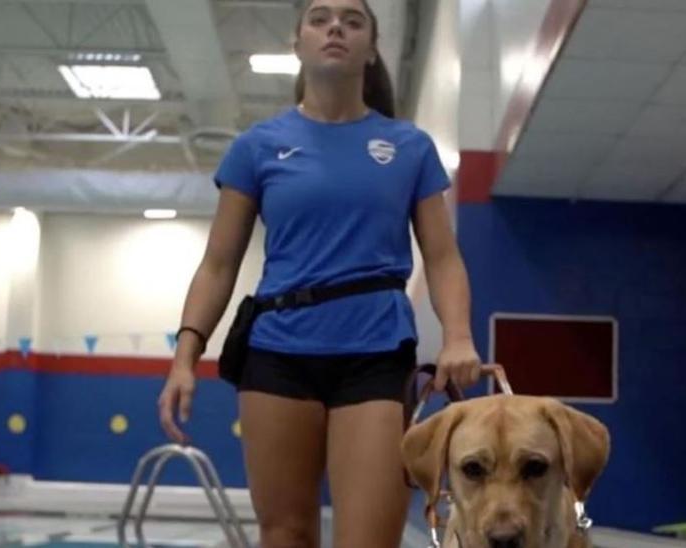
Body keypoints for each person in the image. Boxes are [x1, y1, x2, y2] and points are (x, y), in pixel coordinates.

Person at [157, 0, 481, 546]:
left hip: (376, 355)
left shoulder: (409, 148)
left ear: (372, 49)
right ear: (299, 44)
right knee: (285, 533)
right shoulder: (256, 148)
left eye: (353, 20)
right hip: (278, 355)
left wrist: (459, 336)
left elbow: (444, 258)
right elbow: (218, 265)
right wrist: (185, 357)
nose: (336, 27)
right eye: (320, 18)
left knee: (371, 538)